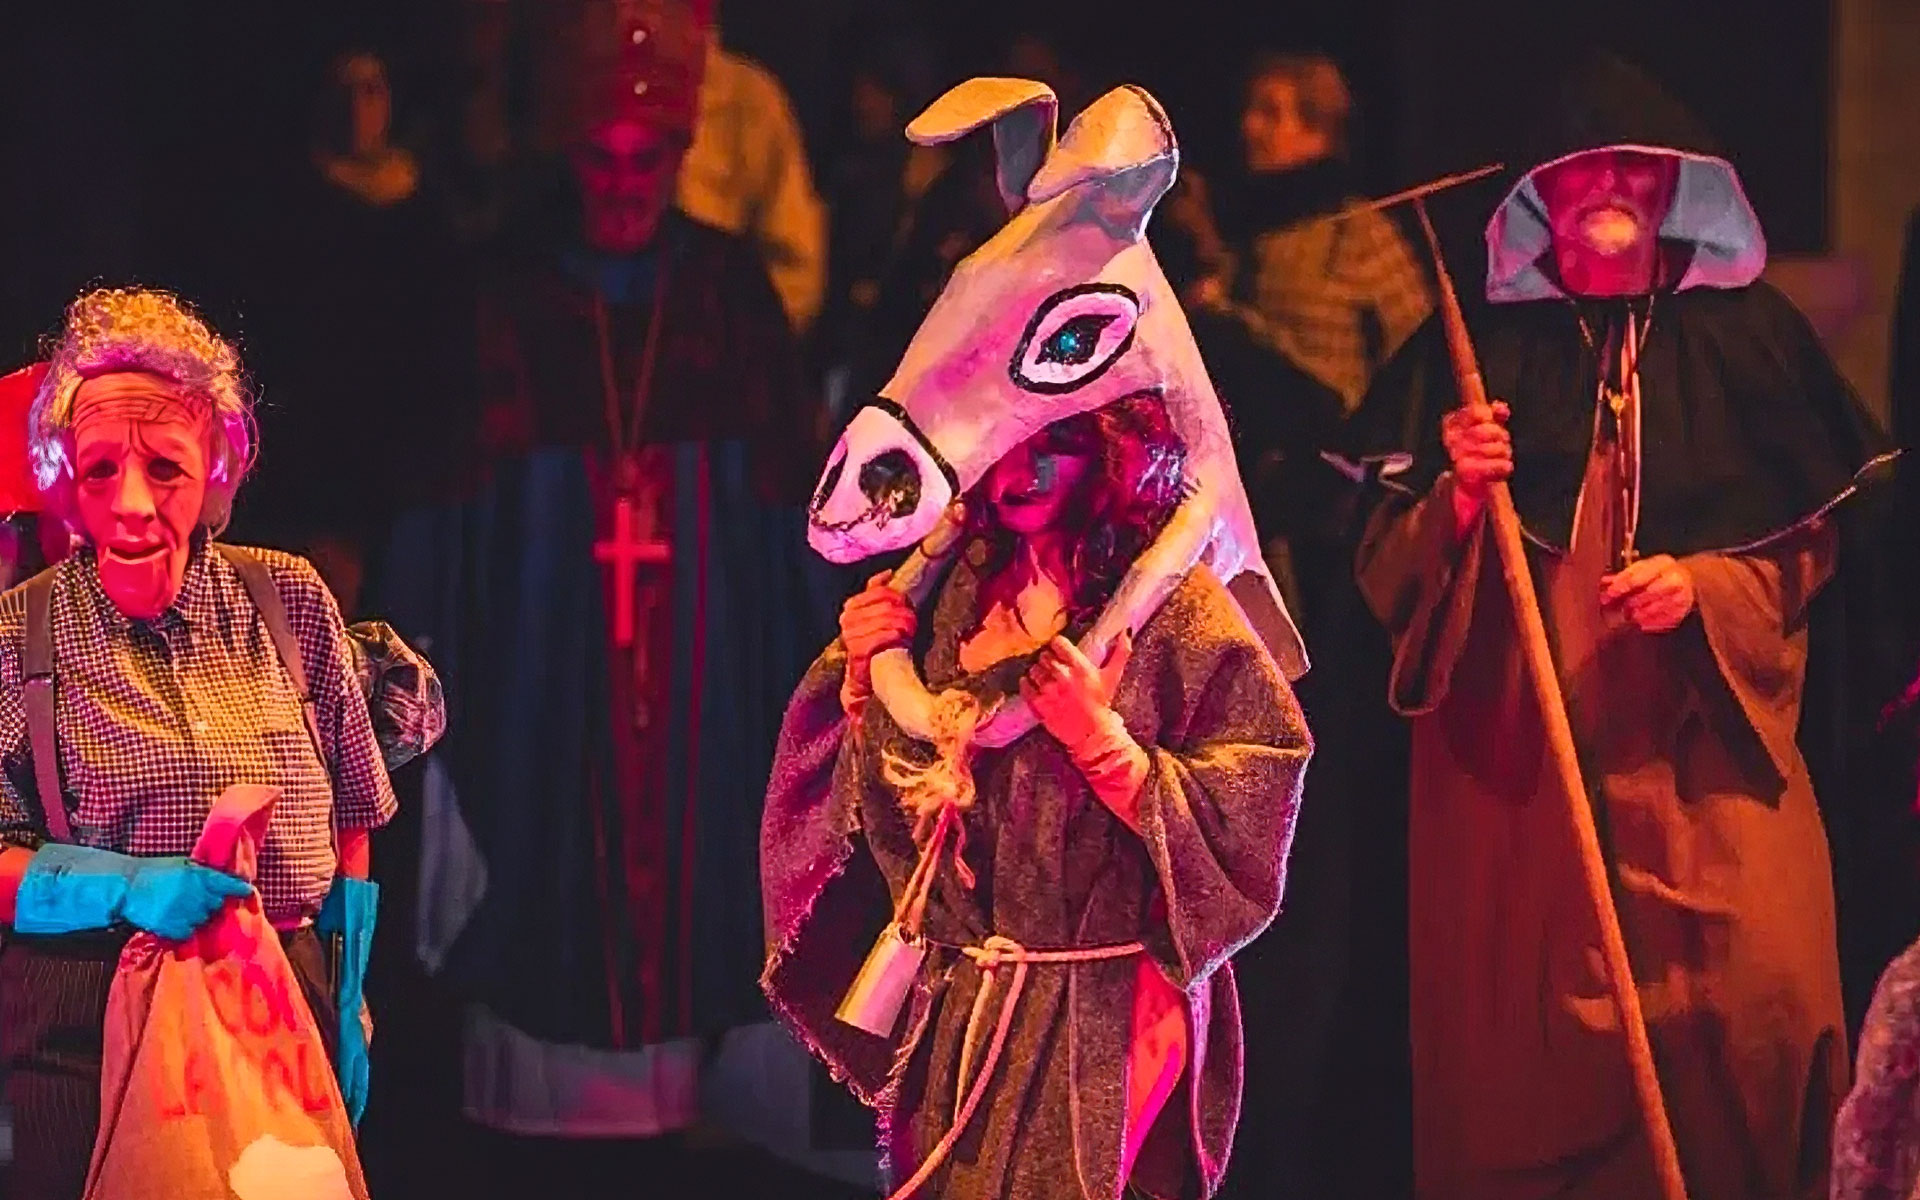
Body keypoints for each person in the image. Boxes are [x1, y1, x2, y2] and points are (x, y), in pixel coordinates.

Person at [1350, 52, 1894, 1198]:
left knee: (1760, 994)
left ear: (1673, 189)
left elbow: (1810, 550)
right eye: (1577, 174)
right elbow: (1384, 572)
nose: (1603, 193)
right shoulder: (1474, 352)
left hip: (1705, 759)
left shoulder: (1751, 340)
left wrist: (1709, 588)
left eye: (1628, 173)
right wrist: (1458, 500)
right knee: (1530, 1046)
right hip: (1527, 782)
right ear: (1537, 198)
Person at [764, 79, 1310, 1200]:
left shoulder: (1176, 613)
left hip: (1107, 1015)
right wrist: (869, 686)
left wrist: (1110, 753)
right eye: (1007, 453)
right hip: (968, 1008)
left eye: (1048, 449)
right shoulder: (964, 592)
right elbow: (904, 821)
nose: (1018, 472)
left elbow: (1258, 803)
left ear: (1107, 440)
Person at [373, 0, 826, 1147]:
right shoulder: (502, 291)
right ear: (567, 154)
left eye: (647, 159)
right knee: (547, 859)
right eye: (602, 159)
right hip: (549, 659)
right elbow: (439, 517)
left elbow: (790, 515)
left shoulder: (727, 291)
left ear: (681, 154)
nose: (625, 185)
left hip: (704, 672)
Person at [0, 286, 437, 1198]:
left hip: (278, 1012)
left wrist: (346, 996)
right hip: (91, 1020)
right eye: (99, 470)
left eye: (165, 468)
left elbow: (353, 811)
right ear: (66, 479)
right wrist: (126, 888)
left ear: (217, 472)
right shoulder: (19, 636)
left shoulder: (287, 599)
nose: (130, 504)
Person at [674, 23, 828, 334]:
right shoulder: (583, 87)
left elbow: (794, 265)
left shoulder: (747, 101)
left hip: (713, 341)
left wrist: (741, 341)